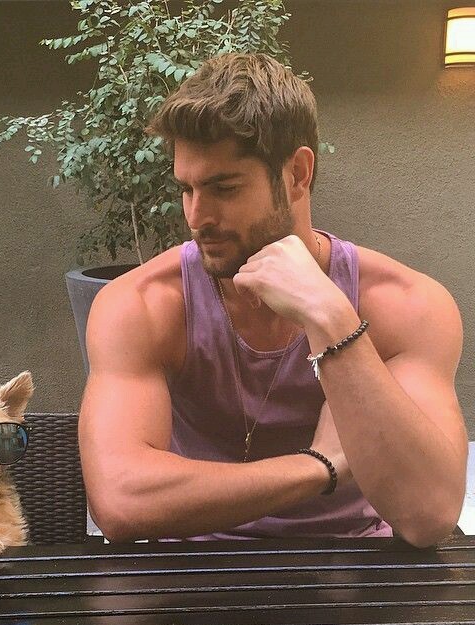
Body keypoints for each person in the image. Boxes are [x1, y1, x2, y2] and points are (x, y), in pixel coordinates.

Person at [78, 53, 467, 547]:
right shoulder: (143, 304)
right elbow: (121, 501)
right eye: (187, 189)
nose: (196, 217)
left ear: (297, 174)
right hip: (193, 565)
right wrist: (319, 466)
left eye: (223, 188)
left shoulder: (404, 304)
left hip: (354, 560)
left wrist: (329, 315)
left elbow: (429, 514)